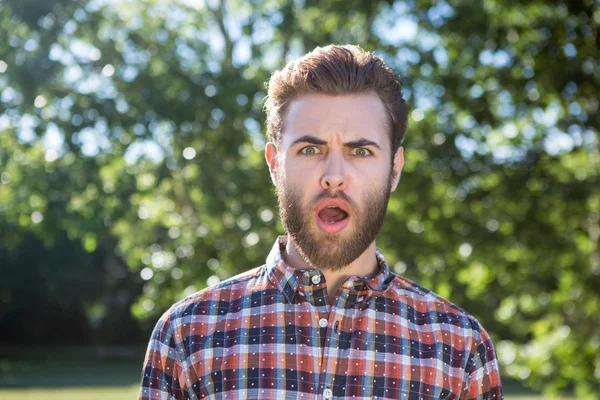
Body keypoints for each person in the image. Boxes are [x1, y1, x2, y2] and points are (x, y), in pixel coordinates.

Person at [139, 44, 503, 400]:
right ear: (274, 164)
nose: (333, 176)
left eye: (360, 151)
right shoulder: (188, 335)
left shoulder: (459, 348)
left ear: (394, 168)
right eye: (310, 150)